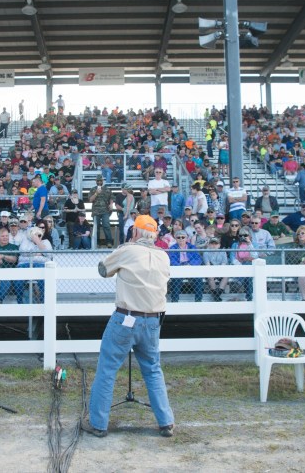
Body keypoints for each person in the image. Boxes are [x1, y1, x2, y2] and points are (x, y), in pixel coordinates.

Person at [83, 214, 174, 439]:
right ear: (153, 235)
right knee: (153, 370)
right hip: (153, 321)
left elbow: (103, 270)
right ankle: (166, 422)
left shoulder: (127, 250)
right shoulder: (164, 256)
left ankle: (98, 424)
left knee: (107, 369)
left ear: (135, 232)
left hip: (126, 318)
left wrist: (124, 251)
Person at [15, 226, 52, 304]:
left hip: (40, 265)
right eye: (35, 235)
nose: (37, 237)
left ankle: (43, 302)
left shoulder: (45, 242)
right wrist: (39, 254)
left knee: (44, 281)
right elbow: (22, 253)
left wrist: (38, 242)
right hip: (24, 265)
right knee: (18, 280)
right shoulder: (26, 241)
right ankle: (20, 301)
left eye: (39, 235)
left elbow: (49, 254)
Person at [168, 229, 204, 302]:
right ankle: (174, 300)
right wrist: (180, 266)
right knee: (176, 280)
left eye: (183, 237)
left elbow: (198, 259)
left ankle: (198, 300)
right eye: (178, 237)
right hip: (178, 268)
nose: (181, 239)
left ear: (187, 238)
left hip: (191, 268)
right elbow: (171, 260)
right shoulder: (172, 248)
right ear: (175, 239)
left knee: (199, 278)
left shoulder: (192, 247)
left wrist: (190, 265)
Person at [89, 174, 114, 247]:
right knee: (96, 228)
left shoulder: (107, 189)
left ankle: (109, 242)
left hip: (105, 211)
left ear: (103, 181)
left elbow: (111, 197)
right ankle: (97, 243)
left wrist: (111, 204)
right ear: (96, 181)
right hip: (96, 212)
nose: (99, 182)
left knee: (106, 226)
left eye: (100, 181)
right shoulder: (92, 189)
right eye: (98, 181)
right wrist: (96, 193)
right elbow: (90, 200)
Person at [204, 236, 230, 301]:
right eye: (212, 244)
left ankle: (217, 295)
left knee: (226, 276)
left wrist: (218, 272)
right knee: (210, 277)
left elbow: (224, 264)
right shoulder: (206, 253)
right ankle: (217, 295)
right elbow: (208, 265)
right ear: (209, 245)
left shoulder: (223, 252)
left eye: (216, 244)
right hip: (210, 271)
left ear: (219, 245)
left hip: (220, 270)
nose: (214, 245)